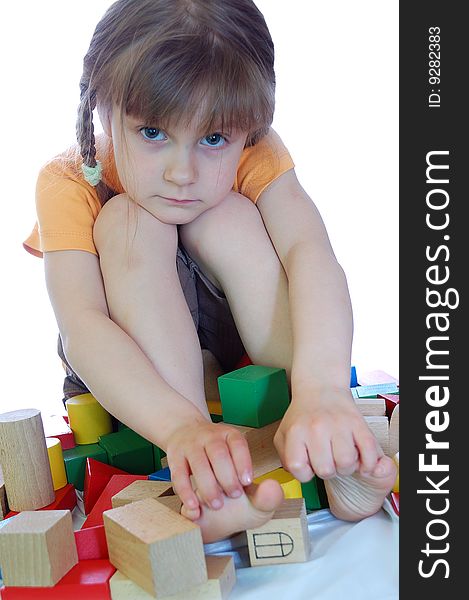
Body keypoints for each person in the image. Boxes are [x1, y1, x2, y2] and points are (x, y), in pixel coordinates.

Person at [24, 0, 396, 543]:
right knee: (129, 218)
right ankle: (201, 478)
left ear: (248, 129)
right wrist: (182, 427)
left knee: (227, 212)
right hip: (135, 374)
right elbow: (83, 327)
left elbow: (310, 253)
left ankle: (330, 443)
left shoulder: (256, 150)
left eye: (214, 139)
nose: (182, 172)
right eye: (152, 133)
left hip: (239, 348)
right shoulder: (67, 180)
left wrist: (321, 385)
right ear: (102, 109)